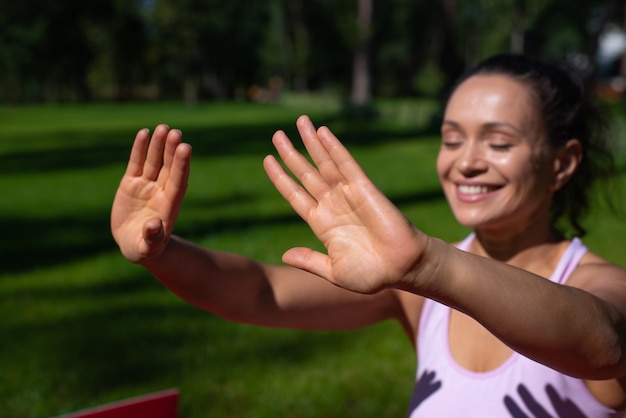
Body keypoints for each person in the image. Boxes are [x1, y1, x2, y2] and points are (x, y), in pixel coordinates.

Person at [111, 53, 626, 417]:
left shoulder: (604, 286)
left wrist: (429, 265)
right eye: (451, 139)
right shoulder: (422, 292)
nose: (467, 162)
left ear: (562, 164)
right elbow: (262, 293)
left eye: (498, 142)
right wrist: (162, 253)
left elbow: (602, 344)